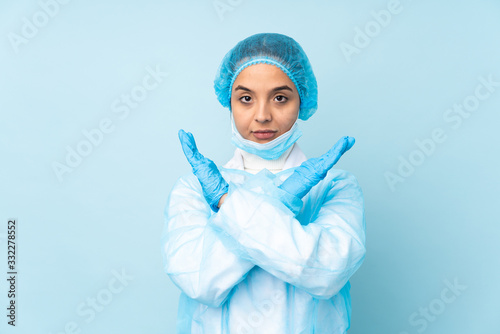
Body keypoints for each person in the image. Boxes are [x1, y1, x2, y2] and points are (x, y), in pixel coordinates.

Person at [161, 32, 366, 333]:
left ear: (302, 102)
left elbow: (328, 273)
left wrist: (229, 206)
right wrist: (277, 201)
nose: (262, 115)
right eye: (246, 99)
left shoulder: (336, 186)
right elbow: (200, 281)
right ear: (229, 103)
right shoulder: (194, 188)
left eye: (280, 98)